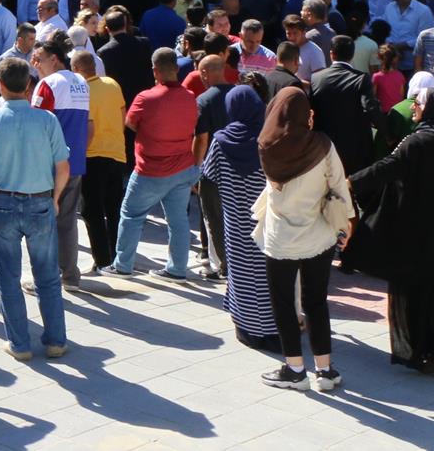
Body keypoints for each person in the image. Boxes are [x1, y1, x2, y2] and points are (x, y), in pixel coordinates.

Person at [347, 86, 434, 377]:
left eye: (418, 104)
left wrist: (349, 183)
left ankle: (420, 352)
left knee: (415, 289)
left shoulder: (419, 142)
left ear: (432, 109)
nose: (413, 108)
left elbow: (388, 168)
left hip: (420, 231)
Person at [0, 54, 71, 362]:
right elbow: (63, 167)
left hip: (4, 200)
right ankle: (55, 340)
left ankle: (20, 343)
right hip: (40, 199)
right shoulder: (46, 119)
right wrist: (54, 199)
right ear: (29, 85)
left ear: (0, 85)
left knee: (9, 277)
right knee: (48, 276)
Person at [253, 87, 352, 392]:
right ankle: (324, 370)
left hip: (280, 237)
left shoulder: (266, 146)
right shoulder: (322, 145)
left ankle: (295, 369)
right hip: (319, 234)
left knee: (284, 304)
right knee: (316, 302)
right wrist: (346, 225)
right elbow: (339, 185)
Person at [107, 49, 198, 280]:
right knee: (178, 220)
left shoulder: (145, 98)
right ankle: (177, 269)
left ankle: (123, 265)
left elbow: (131, 123)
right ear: (177, 69)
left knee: (131, 215)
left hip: (151, 169)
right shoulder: (190, 97)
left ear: (154, 70)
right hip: (183, 168)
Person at [202, 86, 278, 350]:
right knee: (269, 277)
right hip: (267, 220)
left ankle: (249, 329)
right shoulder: (269, 140)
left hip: (235, 219)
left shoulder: (221, 141)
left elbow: (210, 176)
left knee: (243, 273)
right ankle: (273, 329)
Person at [28, 38, 90, 291]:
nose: (34, 63)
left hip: (49, 165)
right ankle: (70, 277)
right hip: (74, 162)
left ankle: (46, 277)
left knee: (44, 223)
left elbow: (36, 124)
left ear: (54, 58)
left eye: (38, 58)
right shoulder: (81, 82)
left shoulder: (47, 84)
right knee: (67, 221)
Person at [73, 50, 126, 275]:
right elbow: (123, 113)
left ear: (76, 70)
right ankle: (116, 255)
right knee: (114, 208)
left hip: (93, 155)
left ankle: (102, 259)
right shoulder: (112, 83)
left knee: (91, 210)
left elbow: (89, 128)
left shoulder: (83, 91)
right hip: (117, 152)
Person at [306, 36, 382, 175]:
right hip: (355, 148)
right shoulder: (361, 78)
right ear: (352, 55)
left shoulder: (316, 78)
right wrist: (385, 132)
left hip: (325, 147)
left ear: (331, 54)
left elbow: (311, 111)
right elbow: (371, 108)